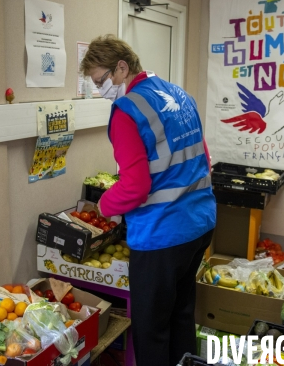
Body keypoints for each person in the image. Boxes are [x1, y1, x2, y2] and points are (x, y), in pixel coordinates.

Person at [80, 35, 216, 366]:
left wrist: (104, 206)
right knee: (181, 315)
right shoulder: (179, 93)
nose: (100, 90)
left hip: (162, 236)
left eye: (101, 81)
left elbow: (135, 187)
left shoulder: (126, 111)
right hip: (200, 223)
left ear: (121, 68)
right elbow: (203, 157)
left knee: (151, 329)